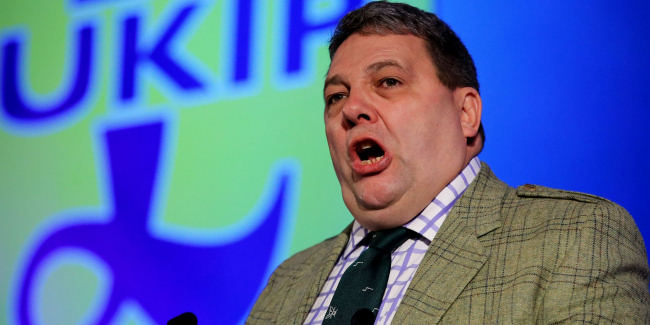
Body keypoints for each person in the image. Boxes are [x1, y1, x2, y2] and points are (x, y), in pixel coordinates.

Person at [247, 2, 650, 324]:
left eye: (388, 81)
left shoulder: (575, 237)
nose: (351, 108)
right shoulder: (289, 280)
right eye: (336, 96)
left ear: (466, 114)